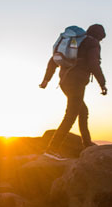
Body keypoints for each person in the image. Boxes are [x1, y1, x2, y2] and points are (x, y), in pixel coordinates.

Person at [39, 24, 107, 160]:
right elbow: (94, 63)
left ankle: (87, 144)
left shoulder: (75, 42)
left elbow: (53, 60)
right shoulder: (92, 43)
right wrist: (102, 83)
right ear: (99, 36)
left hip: (64, 81)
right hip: (77, 82)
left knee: (82, 111)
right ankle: (52, 149)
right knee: (71, 115)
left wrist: (46, 79)